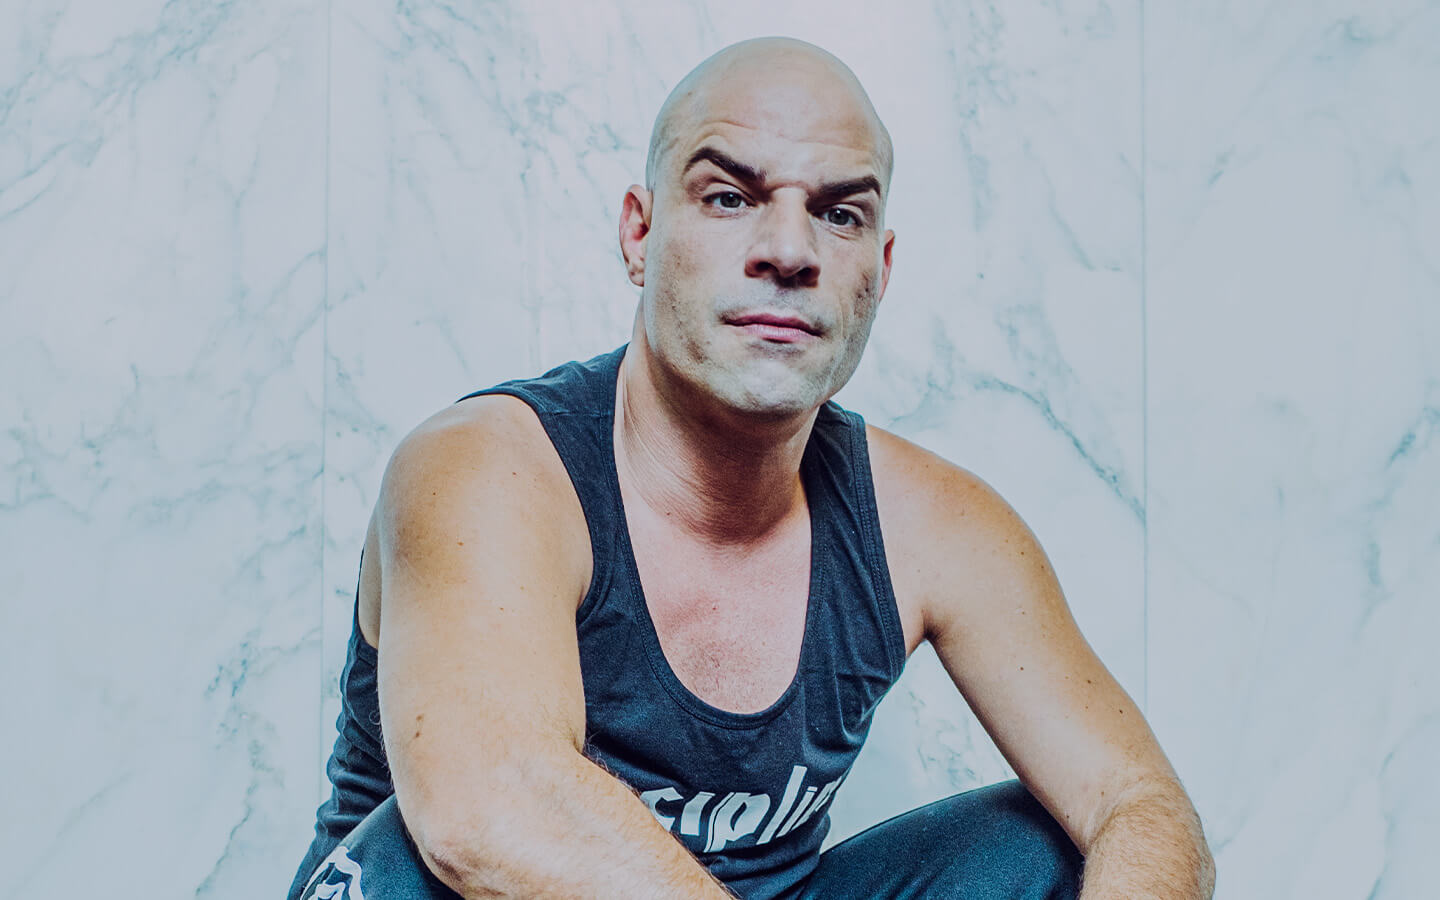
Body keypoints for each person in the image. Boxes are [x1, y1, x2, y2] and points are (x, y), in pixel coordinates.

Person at [288, 36, 1215, 900]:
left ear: (881, 269)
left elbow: (1142, 804)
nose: (790, 251)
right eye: (730, 197)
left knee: (1055, 846)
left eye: (839, 215)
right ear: (639, 234)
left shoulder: (932, 524)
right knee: (417, 854)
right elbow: (485, 810)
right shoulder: (487, 467)